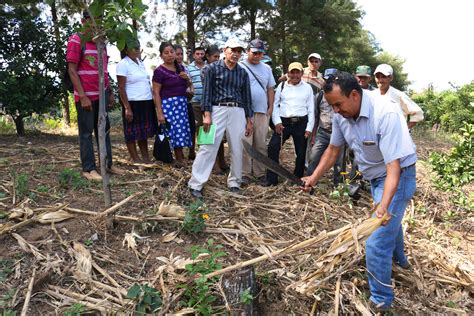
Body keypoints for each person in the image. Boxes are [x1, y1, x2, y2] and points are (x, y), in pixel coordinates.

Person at [302, 71, 417, 312]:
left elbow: (393, 167)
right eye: (331, 106)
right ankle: (401, 260)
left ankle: (381, 299)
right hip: (375, 176)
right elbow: (333, 150)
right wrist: (313, 178)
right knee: (389, 225)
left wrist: (382, 205)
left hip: (399, 174)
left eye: (338, 104)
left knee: (375, 241)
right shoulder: (341, 115)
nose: (335, 111)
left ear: (355, 95)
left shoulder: (384, 112)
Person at [188, 38, 253, 198]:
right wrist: (207, 115)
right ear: (225, 50)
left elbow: (247, 96)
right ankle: (196, 183)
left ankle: (234, 182)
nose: (236, 54)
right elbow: (207, 93)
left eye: (239, 51)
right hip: (217, 109)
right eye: (233, 50)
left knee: (238, 147)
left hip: (237, 110)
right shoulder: (211, 69)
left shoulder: (242, 72)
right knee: (208, 146)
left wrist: (249, 119)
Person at [66, 10, 122, 181]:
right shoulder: (76, 40)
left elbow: (103, 71)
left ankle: (108, 165)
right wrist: (82, 96)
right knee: (86, 133)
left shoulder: (101, 43)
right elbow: (72, 70)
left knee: (104, 131)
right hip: (86, 96)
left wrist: (109, 92)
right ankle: (88, 169)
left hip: (102, 95)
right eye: (93, 21)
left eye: (100, 21)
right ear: (84, 21)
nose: (97, 25)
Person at [265, 62, 314, 186]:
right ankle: (272, 179)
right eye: (292, 72)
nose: (295, 75)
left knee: (301, 152)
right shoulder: (281, 86)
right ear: (288, 73)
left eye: (298, 72)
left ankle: (297, 179)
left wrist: (309, 128)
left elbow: (311, 109)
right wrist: (277, 122)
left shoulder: (307, 87)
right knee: (273, 147)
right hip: (283, 123)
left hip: (301, 122)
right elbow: (275, 106)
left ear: (302, 73)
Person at [239, 39, 276, 184]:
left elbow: (270, 88)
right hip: (243, 111)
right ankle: (245, 173)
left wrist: (271, 106)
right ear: (248, 51)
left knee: (260, 143)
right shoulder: (240, 66)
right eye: (254, 52)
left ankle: (260, 173)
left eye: (260, 53)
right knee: (245, 142)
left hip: (262, 111)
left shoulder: (267, 68)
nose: (256, 56)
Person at [116, 39, 157, 163]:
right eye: (133, 48)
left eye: (138, 47)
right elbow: (121, 87)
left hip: (146, 101)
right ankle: (135, 159)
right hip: (132, 102)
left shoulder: (140, 63)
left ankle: (145, 158)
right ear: (126, 49)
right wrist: (127, 107)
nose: (136, 50)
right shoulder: (123, 64)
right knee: (131, 132)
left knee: (143, 132)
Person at [152, 42, 193, 165]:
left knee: (180, 131)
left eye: (172, 52)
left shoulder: (180, 68)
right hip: (168, 106)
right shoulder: (159, 71)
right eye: (166, 53)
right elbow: (156, 92)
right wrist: (160, 113)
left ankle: (180, 157)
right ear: (161, 55)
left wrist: (187, 80)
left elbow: (188, 87)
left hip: (182, 105)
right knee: (172, 131)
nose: (170, 55)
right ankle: (173, 158)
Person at [306, 68, 344, 186]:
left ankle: (339, 186)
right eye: (327, 80)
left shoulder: (343, 95)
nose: (329, 83)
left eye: (332, 80)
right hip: (323, 132)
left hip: (339, 133)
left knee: (339, 163)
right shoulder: (319, 96)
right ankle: (309, 181)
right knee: (314, 156)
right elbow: (316, 116)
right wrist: (313, 136)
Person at [373, 64, 424, 129]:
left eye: (383, 77)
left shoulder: (399, 95)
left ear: (391, 78)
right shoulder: (372, 95)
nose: (380, 80)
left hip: (395, 136)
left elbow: (418, 113)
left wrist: (404, 130)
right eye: (377, 77)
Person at [187, 46, 206, 159]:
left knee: (205, 127)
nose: (200, 56)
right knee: (194, 126)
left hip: (207, 102)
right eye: (197, 54)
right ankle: (191, 151)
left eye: (202, 54)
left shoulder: (208, 67)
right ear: (194, 55)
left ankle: (203, 151)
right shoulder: (188, 68)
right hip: (194, 102)